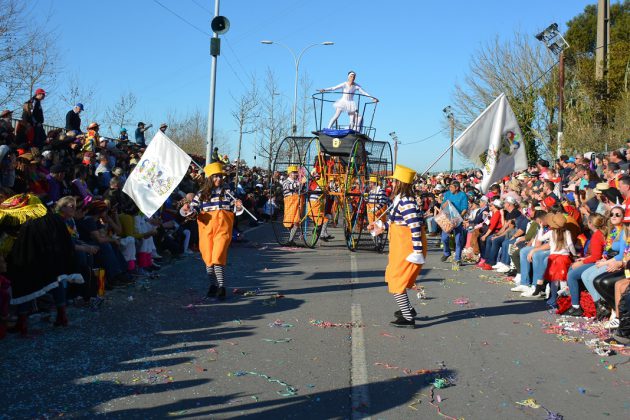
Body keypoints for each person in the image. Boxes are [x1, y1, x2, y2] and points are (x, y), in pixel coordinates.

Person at [368, 164, 426, 328]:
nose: (391, 184)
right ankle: (407, 309)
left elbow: (414, 227)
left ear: (400, 183)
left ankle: (408, 318)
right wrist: (380, 227)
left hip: (407, 248)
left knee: (396, 280)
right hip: (400, 246)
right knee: (394, 278)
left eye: (394, 181)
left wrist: (417, 251)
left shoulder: (406, 202)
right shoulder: (399, 200)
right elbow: (396, 223)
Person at [183, 162, 243, 300]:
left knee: (218, 257)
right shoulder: (201, 194)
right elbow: (193, 210)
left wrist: (238, 206)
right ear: (210, 178)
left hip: (222, 229)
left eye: (221, 177)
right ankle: (213, 285)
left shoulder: (228, 192)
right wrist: (188, 209)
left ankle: (221, 286)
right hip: (206, 230)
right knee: (209, 260)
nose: (219, 179)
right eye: (216, 177)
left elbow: (235, 209)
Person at [440, 180, 468, 266]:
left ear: (457, 187)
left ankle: (458, 258)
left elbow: (465, 208)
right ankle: (446, 252)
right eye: (450, 187)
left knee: (458, 239)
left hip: (457, 218)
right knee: (444, 238)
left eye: (452, 187)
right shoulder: (447, 194)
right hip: (447, 218)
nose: (450, 188)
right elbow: (442, 206)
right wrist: (447, 203)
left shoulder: (463, 195)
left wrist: (459, 217)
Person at [282, 165, 304, 246]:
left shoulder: (297, 182)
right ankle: (291, 238)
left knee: (296, 221)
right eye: (294, 173)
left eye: (296, 173)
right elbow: (289, 187)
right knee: (288, 221)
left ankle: (291, 240)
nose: (296, 174)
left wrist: (301, 184)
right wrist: (299, 184)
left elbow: (301, 188)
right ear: (290, 173)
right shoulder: (285, 182)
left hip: (297, 202)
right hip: (290, 202)